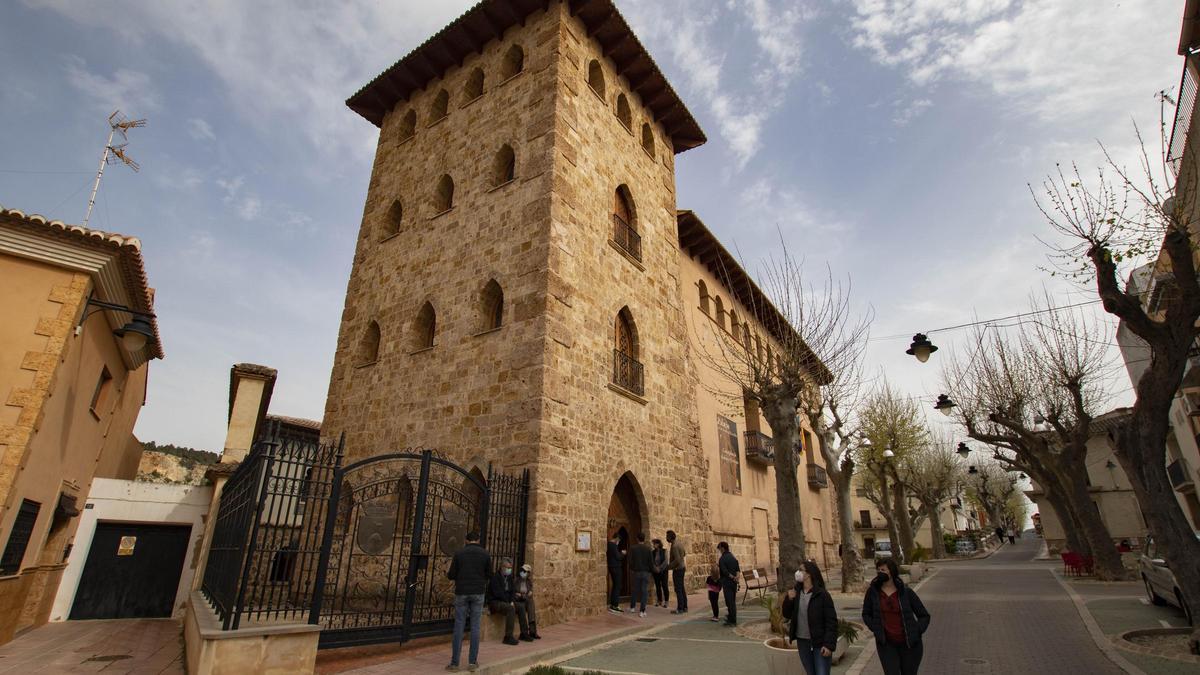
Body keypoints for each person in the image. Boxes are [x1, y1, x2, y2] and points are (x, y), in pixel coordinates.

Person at [862, 558, 930, 675]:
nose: (880, 572)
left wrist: (917, 630)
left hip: (910, 645)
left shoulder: (906, 592)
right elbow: (866, 614)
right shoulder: (873, 592)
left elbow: (924, 615)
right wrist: (876, 628)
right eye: (878, 570)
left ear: (891, 571)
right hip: (887, 645)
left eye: (883, 569)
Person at [782, 561, 838, 675]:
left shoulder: (822, 595)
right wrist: (789, 599)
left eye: (801, 570)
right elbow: (787, 614)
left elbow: (831, 621)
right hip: (803, 642)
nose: (798, 572)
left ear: (809, 574)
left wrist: (828, 645)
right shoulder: (796, 592)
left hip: (819, 642)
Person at [446, 531, 490, 672]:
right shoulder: (485, 554)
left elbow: (451, 575)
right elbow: (489, 574)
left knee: (459, 625)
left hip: (462, 592)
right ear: (478, 540)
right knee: (475, 626)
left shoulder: (459, 554)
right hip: (478, 592)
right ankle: (472, 662)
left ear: (466, 540)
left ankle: (454, 663)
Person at [486, 558, 530, 645]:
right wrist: (509, 602)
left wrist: (512, 601)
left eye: (510, 568)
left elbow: (512, 591)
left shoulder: (509, 577)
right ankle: (508, 636)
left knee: (521, 607)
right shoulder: (495, 578)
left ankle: (524, 633)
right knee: (510, 609)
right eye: (507, 567)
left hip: (507, 601)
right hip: (496, 601)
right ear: (502, 567)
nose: (509, 570)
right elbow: (498, 593)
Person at [628, 532, 653, 617]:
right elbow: (651, 562)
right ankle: (642, 610)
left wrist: (632, 569)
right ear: (644, 539)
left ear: (637, 539)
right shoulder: (648, 549)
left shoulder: (633, 548)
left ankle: (632, 607)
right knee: (644, 591)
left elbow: (630, 561)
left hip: (636, 572)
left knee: (635, 589)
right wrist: (651, 570)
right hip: (646, 572)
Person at [514, 563, 541, 639]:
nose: (523, 572)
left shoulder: (528, 582)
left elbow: (530, 592)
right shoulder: (516, 580)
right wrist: (520, 595)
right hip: (518, 600)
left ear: (528, 573)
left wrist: (529, 593)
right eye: (522, 570)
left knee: (531, 603)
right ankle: (525, 632)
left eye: (525, 571)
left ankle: (533, 631)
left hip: (525, 599)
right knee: (525, 604)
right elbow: (514, 593)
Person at [717, 541, 740, 626]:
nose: (719, 551)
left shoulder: (722, 559)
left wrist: (732, 577)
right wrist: (737, 578)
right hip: (734, 583)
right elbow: (737, 569)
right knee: (732, 601)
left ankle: (732, 620)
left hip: (727, 582)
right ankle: (730, 617)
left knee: (729, 602)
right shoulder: (732, 557)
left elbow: (725, 572)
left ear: (722, 548)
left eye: (719, 549)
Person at [667, 529, 688, 614]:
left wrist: (669, 567)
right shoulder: (679, 543)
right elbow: (684, 553)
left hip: (678, 569)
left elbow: (677, 560)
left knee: (678, 589)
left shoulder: (675, 546)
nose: (666, 538)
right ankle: (684, 606)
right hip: (682, 568)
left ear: (670, 537)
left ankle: (680, 608)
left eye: (667, 536)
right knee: (681, 588)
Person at [606, 533, 626, 614]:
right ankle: (615, 605)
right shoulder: (613, 545)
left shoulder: (608, 544)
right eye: (619, 540)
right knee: (617, 586)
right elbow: (618, 557)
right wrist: (623, 553)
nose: (619, 542)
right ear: (617, 538)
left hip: (611, 567)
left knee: (615, 586)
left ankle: (613, 604)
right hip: (616, 568)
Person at [651, 538, 669, 608]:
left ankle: (666, 601)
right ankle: (659, 601)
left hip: (663, 571)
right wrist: (656, 568)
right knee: (658, 586)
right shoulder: (652, 552)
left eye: (654, 544)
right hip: (656, 572)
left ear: (658, 544)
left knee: (664, 585)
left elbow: (666, 561)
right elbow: (652, 562)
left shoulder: (664, 551)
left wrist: (660, 568)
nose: (653, 545)